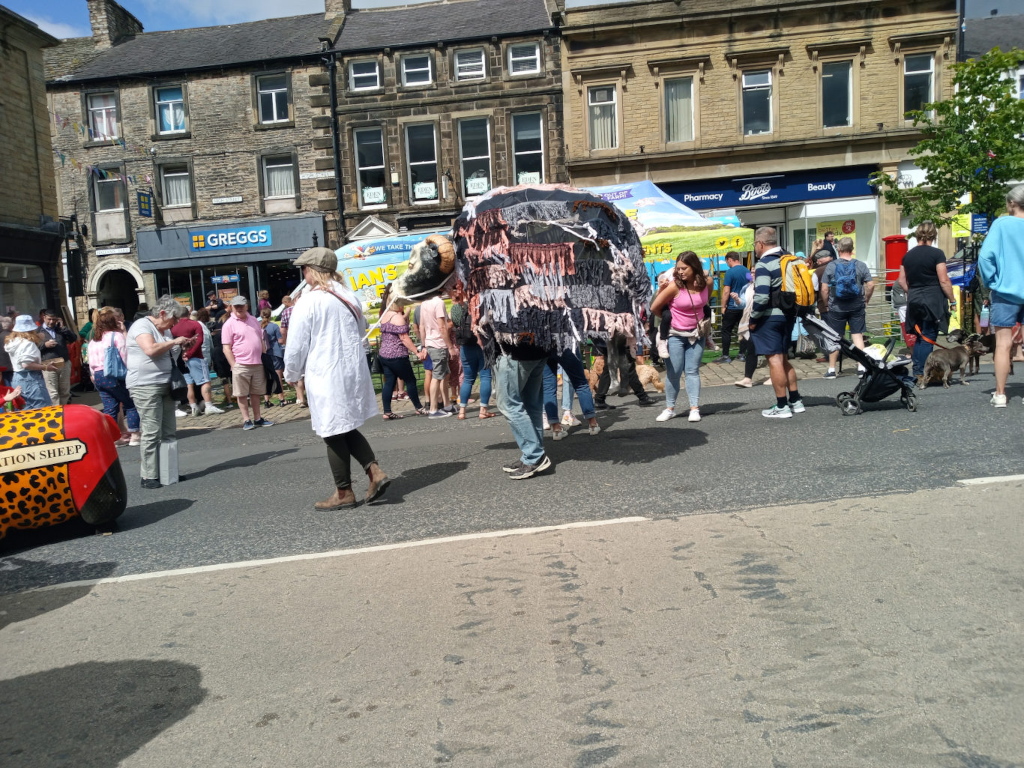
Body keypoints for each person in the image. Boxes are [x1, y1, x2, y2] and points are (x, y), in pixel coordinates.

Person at [283, 247, 389, 509]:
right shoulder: (349, 296)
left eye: (304, 268)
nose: (303, 273)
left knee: (331, 430)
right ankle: (374, 471)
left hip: (326, 371)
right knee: (344, 425)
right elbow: (361, 330)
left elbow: (296, 344)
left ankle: (344, 493)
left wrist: (291, 373)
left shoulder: (309, 301)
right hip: (351, 369)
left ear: (313, 270)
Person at [126, 297, 191, 488]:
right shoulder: (141, 326)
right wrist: (175, 341)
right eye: (174, 318)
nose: (175, 323)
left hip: (166, 384)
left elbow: (166, 353)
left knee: (169, 431)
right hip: (145, 385)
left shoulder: (166, 330)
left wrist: (181, 346)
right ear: (162, 313)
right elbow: (151, 349)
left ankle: (168, 471)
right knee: (152, 431)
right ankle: (149, 475)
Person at [748, 226, 805, 418]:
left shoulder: (764, 264)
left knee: (774, 360)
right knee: (784, 359)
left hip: (769, 317)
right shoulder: (788, 259)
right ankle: (795, 400)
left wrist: (753, 319)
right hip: (788, 314)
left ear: (760, 243)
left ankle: (782, 406)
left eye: (755, 245)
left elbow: (762, 296)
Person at [979, 183, 1024, 407]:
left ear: (1012, 203)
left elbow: (985, 257)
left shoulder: (1002, 224)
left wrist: (991, 281)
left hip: (1006, 291)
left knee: (1003, 344)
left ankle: (1000, 394)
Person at [650, 250, 709, 422]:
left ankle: (694, 408)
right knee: (674, 372)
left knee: (692, 371)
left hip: (697, 333)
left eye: (684, 268)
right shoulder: (674, 286)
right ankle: (670, 408)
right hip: (675, 334)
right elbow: (654, 307)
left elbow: (704, 302)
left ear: (694, 267)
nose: (680, 272)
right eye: (678, 268)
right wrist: (669, 319)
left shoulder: (706, 283)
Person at [896, 221, 954, 379]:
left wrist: (912, 292)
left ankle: (917, 370)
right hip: (932, 299)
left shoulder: (907, 256)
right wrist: (952, 300)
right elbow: (944, 280)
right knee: (928, 335)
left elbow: (901, 281)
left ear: (917, 235)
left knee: (920, 336)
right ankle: (923, 371)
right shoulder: (937, 254)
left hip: (914, 298)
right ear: (933, 236)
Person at [496, 335, 551, 480]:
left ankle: (534, 455)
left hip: (514, 351)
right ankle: (531, 456)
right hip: (539, 348)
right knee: (531, 405)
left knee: (508, 404)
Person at [820, 236, 875, 379]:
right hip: (857, 306)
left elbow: (824, 289)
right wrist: (866, 299)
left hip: (836, 307)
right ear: (852, 249)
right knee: (857, 335)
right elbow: (871, 284)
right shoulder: (860, 265)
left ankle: (832, 370)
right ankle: (861, 367)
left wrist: (826, 304)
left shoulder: (831, 266)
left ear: (838, 249)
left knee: (835, 337)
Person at [88, 307, 141, 446]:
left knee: (110, 408)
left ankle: (113, 437)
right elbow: (125, 355)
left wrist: (93, 375)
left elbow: (90, 361)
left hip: (98, 376)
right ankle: (135, 435)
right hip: (114, 375)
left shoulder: (94, 340)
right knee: (131, 403)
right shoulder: (116, 336)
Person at [221, 296, 274, 430]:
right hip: (240, 364)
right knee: (241, 394)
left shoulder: (254, 320)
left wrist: (264, 356)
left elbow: (260, 339)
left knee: (256, 392)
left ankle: (257, 418)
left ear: (246, 306)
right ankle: (246, 420)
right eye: (236, 306)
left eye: (241, 306)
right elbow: (226, 348)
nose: (239, 308)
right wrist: (234, 365)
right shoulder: (228, 324)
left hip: (257, 363)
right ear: (232, 307)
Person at [378, 283, 427, 419]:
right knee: (410, 380)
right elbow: (404, 338)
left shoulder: (385, 315)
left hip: (384, 354)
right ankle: (418, 407)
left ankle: (387, 411)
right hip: (397, 355)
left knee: (389, 382)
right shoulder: (397, 318)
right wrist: (417, 352)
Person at [449, 287, 495, 420]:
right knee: (485, 377)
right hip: (483, 344)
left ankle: (462, 411)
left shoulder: (457, 308)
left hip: (466, 345)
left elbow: (456, 324)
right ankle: (483, 410)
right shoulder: (483, 304)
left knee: (468, 379)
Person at [4, 315, 58, 409]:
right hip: (30, 378)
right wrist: (45, 367)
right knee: (41, 408)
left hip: (17, 377)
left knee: (24, 409)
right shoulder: (27, 343)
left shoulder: (13, 342)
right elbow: (26, 364)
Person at [591, 335, 655, 410]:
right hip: (618, 338)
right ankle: (642, 396)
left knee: (609, 369)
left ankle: (599, 399)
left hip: (607, 339)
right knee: (628, 367)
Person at [418, 293, 456, 418]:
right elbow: (442, 327)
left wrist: (424, 345)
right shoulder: (438, 303)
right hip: (438, 343)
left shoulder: (424, 303)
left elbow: (422, 326)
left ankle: (446, 404)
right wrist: (450, 346)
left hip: (430, 342)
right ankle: (433, 409)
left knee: (445, 374)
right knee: (437, 376)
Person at [37, 308, 77, 405]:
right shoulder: (38, 331)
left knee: (65, 391)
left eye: (54, 319)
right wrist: (44, 345)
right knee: (53, 393)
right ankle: (56, 412)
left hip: (63, 363)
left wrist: (63, 328)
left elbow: (73, 338)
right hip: (48, 364)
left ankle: (64, 411)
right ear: (44, 318)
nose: (51, 322)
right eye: (49, 319)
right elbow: (34, 348)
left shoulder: (60, 329)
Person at [717, 251, 749, 364]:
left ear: (730, 259)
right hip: (744, 306)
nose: (727, 264)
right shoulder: (747, 271)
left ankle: (726, 355)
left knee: (726, 331)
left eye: (727, 262)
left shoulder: (730, 272)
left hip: (732, 306)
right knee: (743, 330)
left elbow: (726, 291)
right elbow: (751, 286)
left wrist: (723, 306)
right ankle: (742, 354)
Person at [279, 294, 306, 407]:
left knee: (296, 371)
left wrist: (285, 342)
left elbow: (283, 330)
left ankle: (300, 398)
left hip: (293, 343)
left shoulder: (286, 312)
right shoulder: (305, 309)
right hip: (306, 342)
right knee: (306, 371)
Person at [260, 308, 287, 407]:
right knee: (278, 376)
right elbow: (280, 341)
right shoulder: (274, 326)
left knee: (266, 377)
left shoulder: (259, 326)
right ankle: (281, 399)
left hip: (264, 354)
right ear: (270, 315)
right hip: (275, 353)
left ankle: (266, 400)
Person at [0, 316, 13, 386]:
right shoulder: (12, 336)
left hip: (3, 366)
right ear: (11, 325)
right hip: (12, 366)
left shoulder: (1, 335)